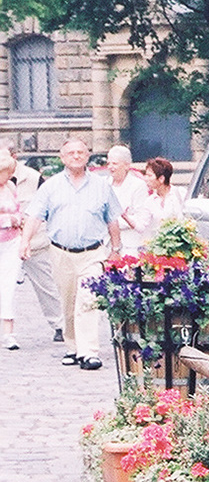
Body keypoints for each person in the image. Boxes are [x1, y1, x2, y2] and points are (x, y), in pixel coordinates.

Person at [20, 137, 121, 370]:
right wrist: (25, 242)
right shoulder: (50, 186)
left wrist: (115, 249)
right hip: (60, 253)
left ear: (87, 156)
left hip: (93, 253)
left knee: (88, 300)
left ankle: (89, 352)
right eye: (71, 153)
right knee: (68, 302)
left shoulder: (101, 186)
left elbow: (112, 219)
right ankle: (73, 347)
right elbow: (34, 216)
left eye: (81, 152)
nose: (76, 156)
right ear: (62, 158)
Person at [12, 158, 64, 342]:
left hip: (35, 241)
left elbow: (49, 207)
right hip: (5, 241)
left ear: (13, 156)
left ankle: (60, 325)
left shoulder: (34, 178)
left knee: (47, 285)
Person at [106, 145, 151, 249]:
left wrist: (113, 222)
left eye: (115, 163)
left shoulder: (138, 185)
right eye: (109, 163)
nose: (110, 167)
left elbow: (140, 217)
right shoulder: (104, 184)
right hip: (106, 242)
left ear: (126, 165)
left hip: (129, 243)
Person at [0, 150, 22, 350]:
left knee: (8, 287)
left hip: (11, 243)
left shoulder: (11, 187)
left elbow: (19, 211)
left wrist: (17, 220)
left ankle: (9, 332)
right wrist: (10, 220)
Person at [142, 157, 184, 242]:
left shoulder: (180, 194)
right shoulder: (149, 201)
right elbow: (142, 225)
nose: (146, 179)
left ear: (161, 178)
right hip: (159, 246)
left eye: (149, 175)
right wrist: (125, 217)